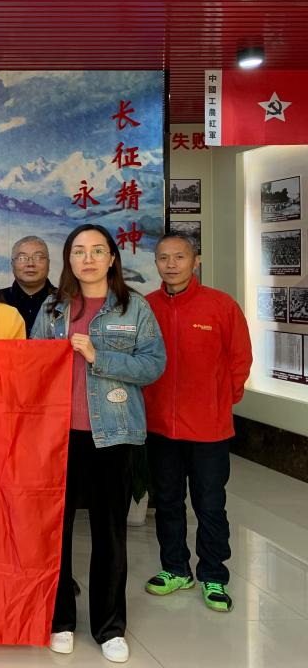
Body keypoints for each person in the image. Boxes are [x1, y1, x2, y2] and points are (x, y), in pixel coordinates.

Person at [31, 224, 166, 664]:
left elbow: (153, 365)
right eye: (78, 251)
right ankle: (60, 621)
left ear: (111, 259)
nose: (87, 259)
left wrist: (98, 356)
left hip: (114, 435)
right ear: (68, 259)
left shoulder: (134, 307)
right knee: (56, 533)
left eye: (96, 251)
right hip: (58, 436)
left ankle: (109, 627)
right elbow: (31, 365)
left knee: (110, 533)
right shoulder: (53, 309)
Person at [142, 233, 252, 613]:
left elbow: (240, 359)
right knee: (168, 501)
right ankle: (175, 568)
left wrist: (220, 401)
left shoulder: (220, 306)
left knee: (210, 503)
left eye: (180, 256)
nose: (171, 264)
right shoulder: (146, 307)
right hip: (160, 427)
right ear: (156, 262)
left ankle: (213, 575)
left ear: (196, 261)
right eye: (163, 258)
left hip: (209, 429)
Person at [0, 235, 57, 336]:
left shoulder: (65, 301)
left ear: (48, 263)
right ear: (12, 264)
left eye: (38, 257)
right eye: (22, 258)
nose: (30, 264)